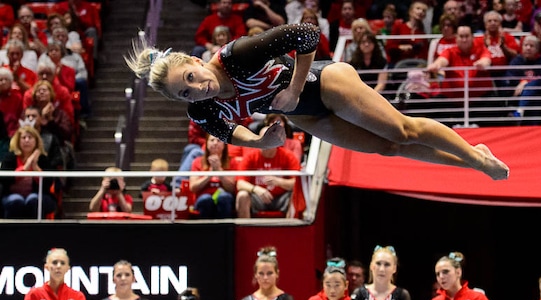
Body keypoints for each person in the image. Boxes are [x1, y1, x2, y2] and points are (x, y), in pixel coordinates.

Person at [126, 24, 509, 180]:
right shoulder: (202, 110)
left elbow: (307, 35)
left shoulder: (237, 56)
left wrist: (294, 89)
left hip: (324, 82)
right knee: (388, 148)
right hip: (305, 116)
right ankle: (473, 162)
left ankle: (478, 158)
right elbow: (228, 133)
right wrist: (260, 141)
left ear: (195, 62)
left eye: (191, 77)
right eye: (185, 92)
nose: (198, 88)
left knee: (401, 131)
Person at [235, 124, 301, 218]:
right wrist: (256, 189)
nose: (265, 143)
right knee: (242, 195)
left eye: (269, 139)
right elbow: (240, 184)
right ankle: (244, 227)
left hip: (281, 197)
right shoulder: (250, 157)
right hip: (258, 197)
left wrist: (279, 182)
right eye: (262, 139)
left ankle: (291, 226)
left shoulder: (288, 156)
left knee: (295, 195)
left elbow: (297, 183)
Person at [0, 125, 56, 218]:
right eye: (23, 137)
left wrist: (35, 168)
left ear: (36, 141)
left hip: (39, 195)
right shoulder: (10, 157)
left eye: (30, 137)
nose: (27, 140)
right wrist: (25, 168)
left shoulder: (43, 159)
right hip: (11, 194)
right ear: (18, 141)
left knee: (34, 199)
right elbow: (4, 180)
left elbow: (48, 183)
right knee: (16, 200)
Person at [425, 25, 494, 101]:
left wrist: (482, 63)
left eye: (467, 36)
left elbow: (486, 59)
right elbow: (442, 60)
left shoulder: (481, 49)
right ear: (456, 38)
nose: (464, 40)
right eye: (461, 36)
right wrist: (436, 65)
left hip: (480, 98)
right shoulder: (450, 51)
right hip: (452, 99)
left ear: (472, 37)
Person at [505, 35, 541, 121]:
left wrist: (526, 82)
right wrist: (522, 82)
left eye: (531, 46)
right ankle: (520, 112)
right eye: (526, 45)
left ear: (537, 49)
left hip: (540, 95)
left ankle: (520, 111)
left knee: (533, 87)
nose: (528, 48)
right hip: (519, 94)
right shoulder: (516, 61)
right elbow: (510, 78)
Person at [189, 133, 236, 219]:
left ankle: (225, 227)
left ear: (224, 144)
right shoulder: (197, 162)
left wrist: (219, 171)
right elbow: (193, 187)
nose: (215, 143)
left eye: (219, 140)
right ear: (206, 143)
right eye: (212, 140)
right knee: (206, 199)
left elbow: (232, 188)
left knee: (224, 197)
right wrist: (209, 175)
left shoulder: (232, 162)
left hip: (224, 196)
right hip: (203, 197)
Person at [385, 0, 430, 65]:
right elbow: (389, 46)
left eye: (424, 11)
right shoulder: (399, 27)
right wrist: (400, 47)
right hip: (398, 63)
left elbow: (425, 54)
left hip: (416, 65)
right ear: (410, 11)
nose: (421, 12)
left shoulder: (422, 34)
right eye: (418, 8)